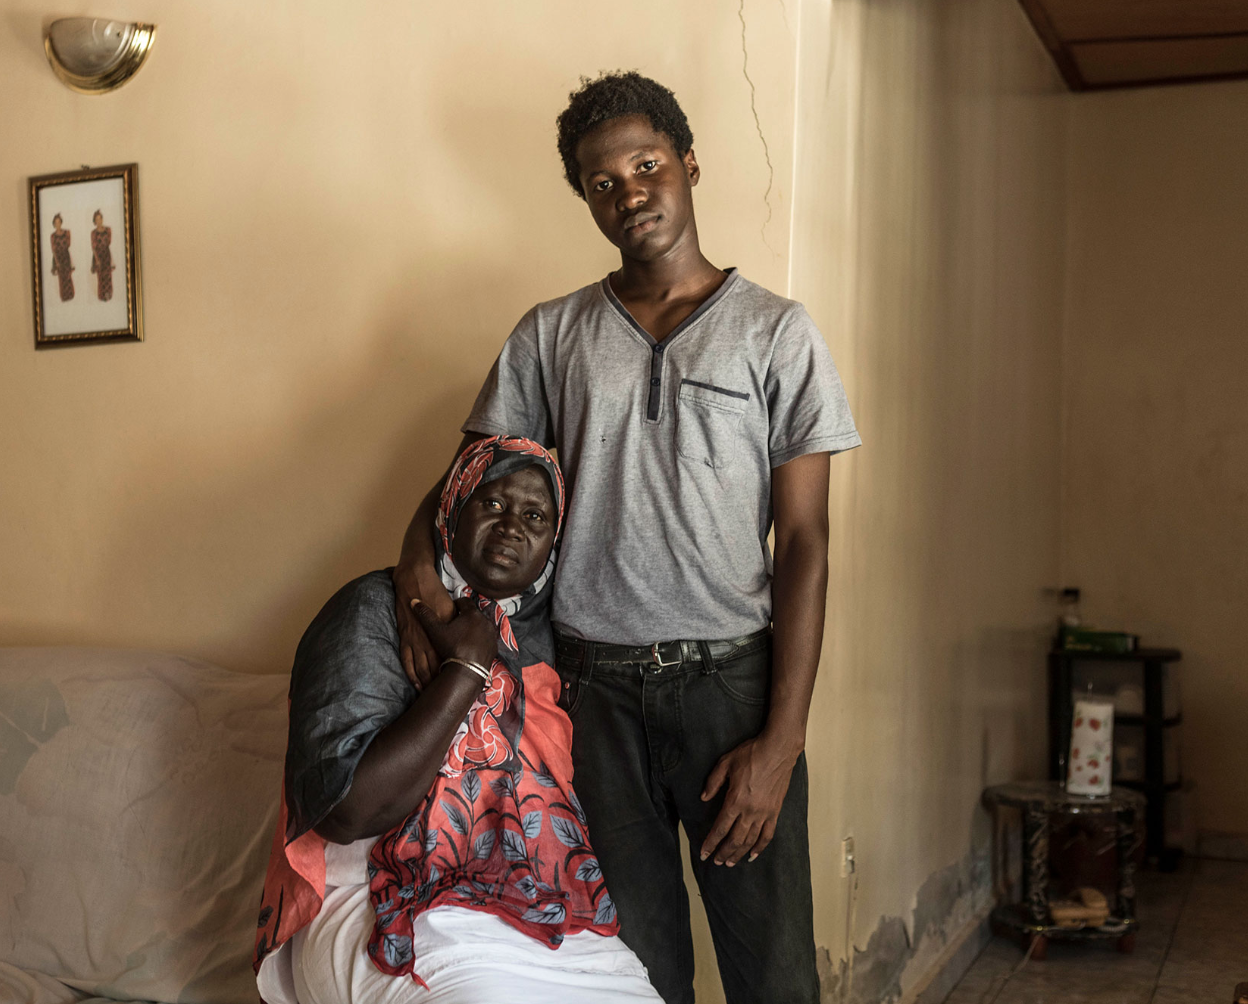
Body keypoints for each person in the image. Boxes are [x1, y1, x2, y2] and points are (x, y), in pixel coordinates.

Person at [392, 72, 861, 1004]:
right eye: (603, 183)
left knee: (774, 977)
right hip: (591, 696)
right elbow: (467, 485)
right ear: (587, 200)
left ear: (689, 164)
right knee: (632, 978)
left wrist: (782, 740)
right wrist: (418, 585)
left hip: (732, 690)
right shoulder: (551, 334)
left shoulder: (777, 333)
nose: (630, 193)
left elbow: (805, 541)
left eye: (647, 166)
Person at [255, 436, 661, 1004]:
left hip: (546, 910)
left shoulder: (551, 643)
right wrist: (466, 669)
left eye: (536, 516)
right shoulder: (371, 608)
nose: (512, 526)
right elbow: (345, 811)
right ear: (453, 507)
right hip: (382, 904)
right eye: (492, 503)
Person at [89, 209, 115, 302]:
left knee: (108, 276)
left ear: (102, 219)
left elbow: (109, 242)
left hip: (107, 255)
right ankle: (102, 296)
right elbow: (93, 247)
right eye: (97, 219)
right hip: (98, 256)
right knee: (101, 277)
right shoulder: (93, 233)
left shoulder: (108, 230)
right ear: (94, 221)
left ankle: (109, 295)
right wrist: (97, 260)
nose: (99, 221)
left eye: (100, 218)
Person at [49, 213, 74, 301]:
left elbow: (68, 244)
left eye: (59, 222)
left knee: (68, 276)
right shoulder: (53, 236)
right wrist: (57, 262)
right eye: (56, 223)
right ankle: (64, 297)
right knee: (61, 278)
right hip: (58, 258)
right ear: (54, 224)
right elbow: (53, 250)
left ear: (61, 222)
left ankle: (70, 295)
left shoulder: (67, 232)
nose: (58, 224)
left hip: (66, 257)